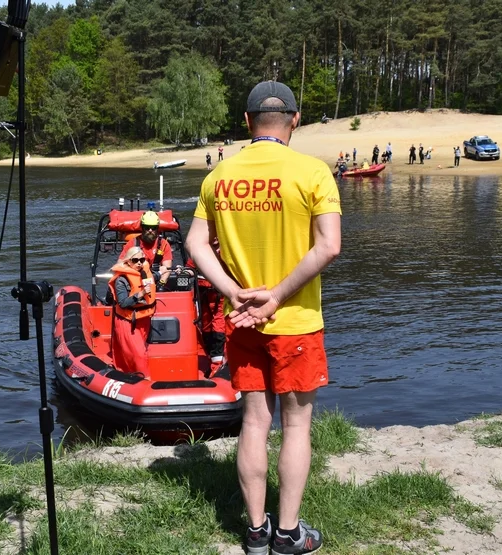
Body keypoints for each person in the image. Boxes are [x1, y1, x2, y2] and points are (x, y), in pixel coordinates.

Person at [186, 80, 341, 555]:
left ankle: (255, 532)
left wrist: (234, 292)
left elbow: (193, 245)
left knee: (254, 423)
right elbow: (329, 246)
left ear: (248, 122)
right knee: (296, 427)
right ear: (295, 120)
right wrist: (274, 297)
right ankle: (288, 534)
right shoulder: (313, 172)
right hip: (293, 320)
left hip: (241, 321)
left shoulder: (219, 177)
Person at [108, 247, 156, 377]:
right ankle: (145, 379)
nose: (139, 263)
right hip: (128, 321)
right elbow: (123, 303)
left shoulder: (145, 273)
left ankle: (134, 375)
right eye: (135, 260)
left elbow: (155, 278)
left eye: (142, 259)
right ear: (128, 262)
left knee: (143, 351)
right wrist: (140, 294)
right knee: (138, 353)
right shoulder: (121, 280)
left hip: (144, 319)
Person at [120, 211, 173, 288]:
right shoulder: (132, 244)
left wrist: (161, 283)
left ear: (157, 229)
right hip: (136, 282)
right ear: (142, 227)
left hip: (157, 282)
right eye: (147, 227)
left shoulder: (163, 244)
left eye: (153, 228)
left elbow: (167, 270)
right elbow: (120, 265)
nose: (150, 230)